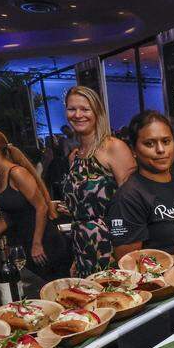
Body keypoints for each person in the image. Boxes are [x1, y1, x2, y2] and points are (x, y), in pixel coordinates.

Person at [0, 128, 71, 280]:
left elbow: (41, 207)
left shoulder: (17, 173)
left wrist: (37, 243)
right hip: (25, 244)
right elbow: (6, 219)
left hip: (44, 244)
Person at [58, 86, 136, 275]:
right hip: (83, 249)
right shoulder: (75, 156)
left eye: (85, 109)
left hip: (112, 249)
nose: (77, 115)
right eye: (72, 109)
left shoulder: (114, 148)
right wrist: (78, 257)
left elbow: (134, 207)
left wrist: (124, 255)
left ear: (97, 112)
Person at [108, 111, 174, 258]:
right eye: (149, 143)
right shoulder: (128, 198)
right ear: (134, 150)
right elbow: (129, 261)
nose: (160, 150)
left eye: (166, 141)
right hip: (167, 273)